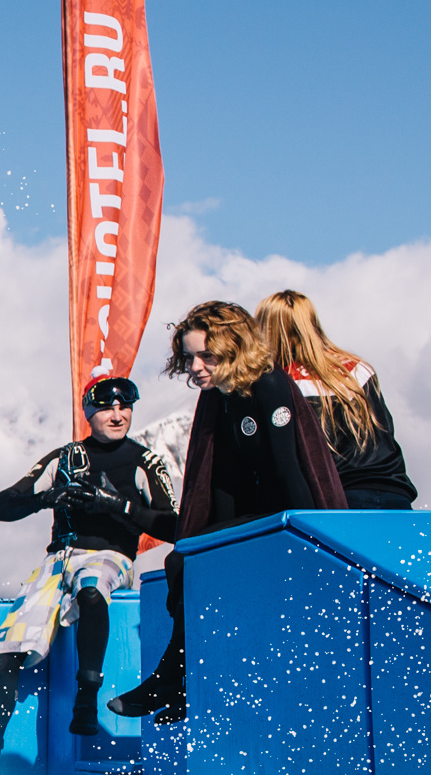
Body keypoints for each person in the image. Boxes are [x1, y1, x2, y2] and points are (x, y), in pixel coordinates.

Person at [108, 301, 346, 722]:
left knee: (199, 560)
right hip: (256, 521)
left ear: (234, 349)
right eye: (190, 357)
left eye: (206, 356)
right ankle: (181, 683)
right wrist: (210, 539)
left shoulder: (269, 385)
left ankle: (170, 681)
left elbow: (292, 472)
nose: (195, 367)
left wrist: (306, 542)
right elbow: (221, 482)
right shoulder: (222, 396)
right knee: (190, 559)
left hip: (288, 521)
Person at [0, 376, 177, 775]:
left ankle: (85, 700)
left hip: (110, 556)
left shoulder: (145, 461)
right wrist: (46, 498)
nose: (117, 414)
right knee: (6, 652)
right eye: (106, 407)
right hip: (58, 559)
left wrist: (116, 505)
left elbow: (176, 526)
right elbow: (1, 507)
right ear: (89, 412)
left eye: (125, 406)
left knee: (92, 591)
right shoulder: (66, 457)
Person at [253, 290, 417, 510]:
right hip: (394, 493)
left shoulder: (278, 381)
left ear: (265, 329)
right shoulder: (357, 369)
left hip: (340, 499)